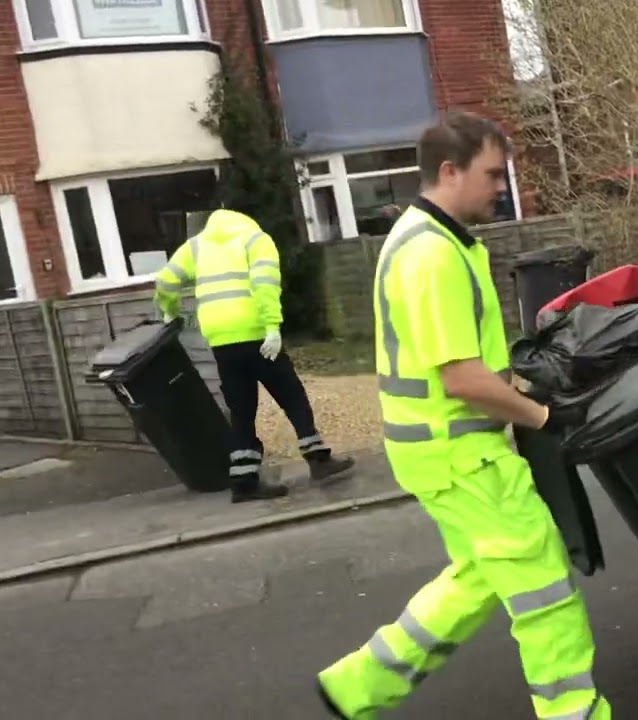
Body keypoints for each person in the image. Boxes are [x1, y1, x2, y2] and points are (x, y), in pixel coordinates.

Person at [316, 111, 611, 720]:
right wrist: (540, 415)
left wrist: (521, 384)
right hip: (460, 454)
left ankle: (359, 685)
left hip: (439, 450)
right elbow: (461, 378)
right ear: (449, 172)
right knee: (541, 579)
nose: (501, 188)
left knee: (482, 573)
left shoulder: (436, 241)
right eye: (492, 174)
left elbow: (468, 363)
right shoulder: (431, 255)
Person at [153, 204, 356, 503]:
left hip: (221, 340)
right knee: (292, 396)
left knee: (242, 411)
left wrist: (169, 312)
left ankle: (245, 481)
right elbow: (265, 285)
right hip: (257, 335)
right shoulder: (256, 240)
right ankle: (318, 460)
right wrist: (272, 326)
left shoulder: (196, 246)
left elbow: (165, 281)